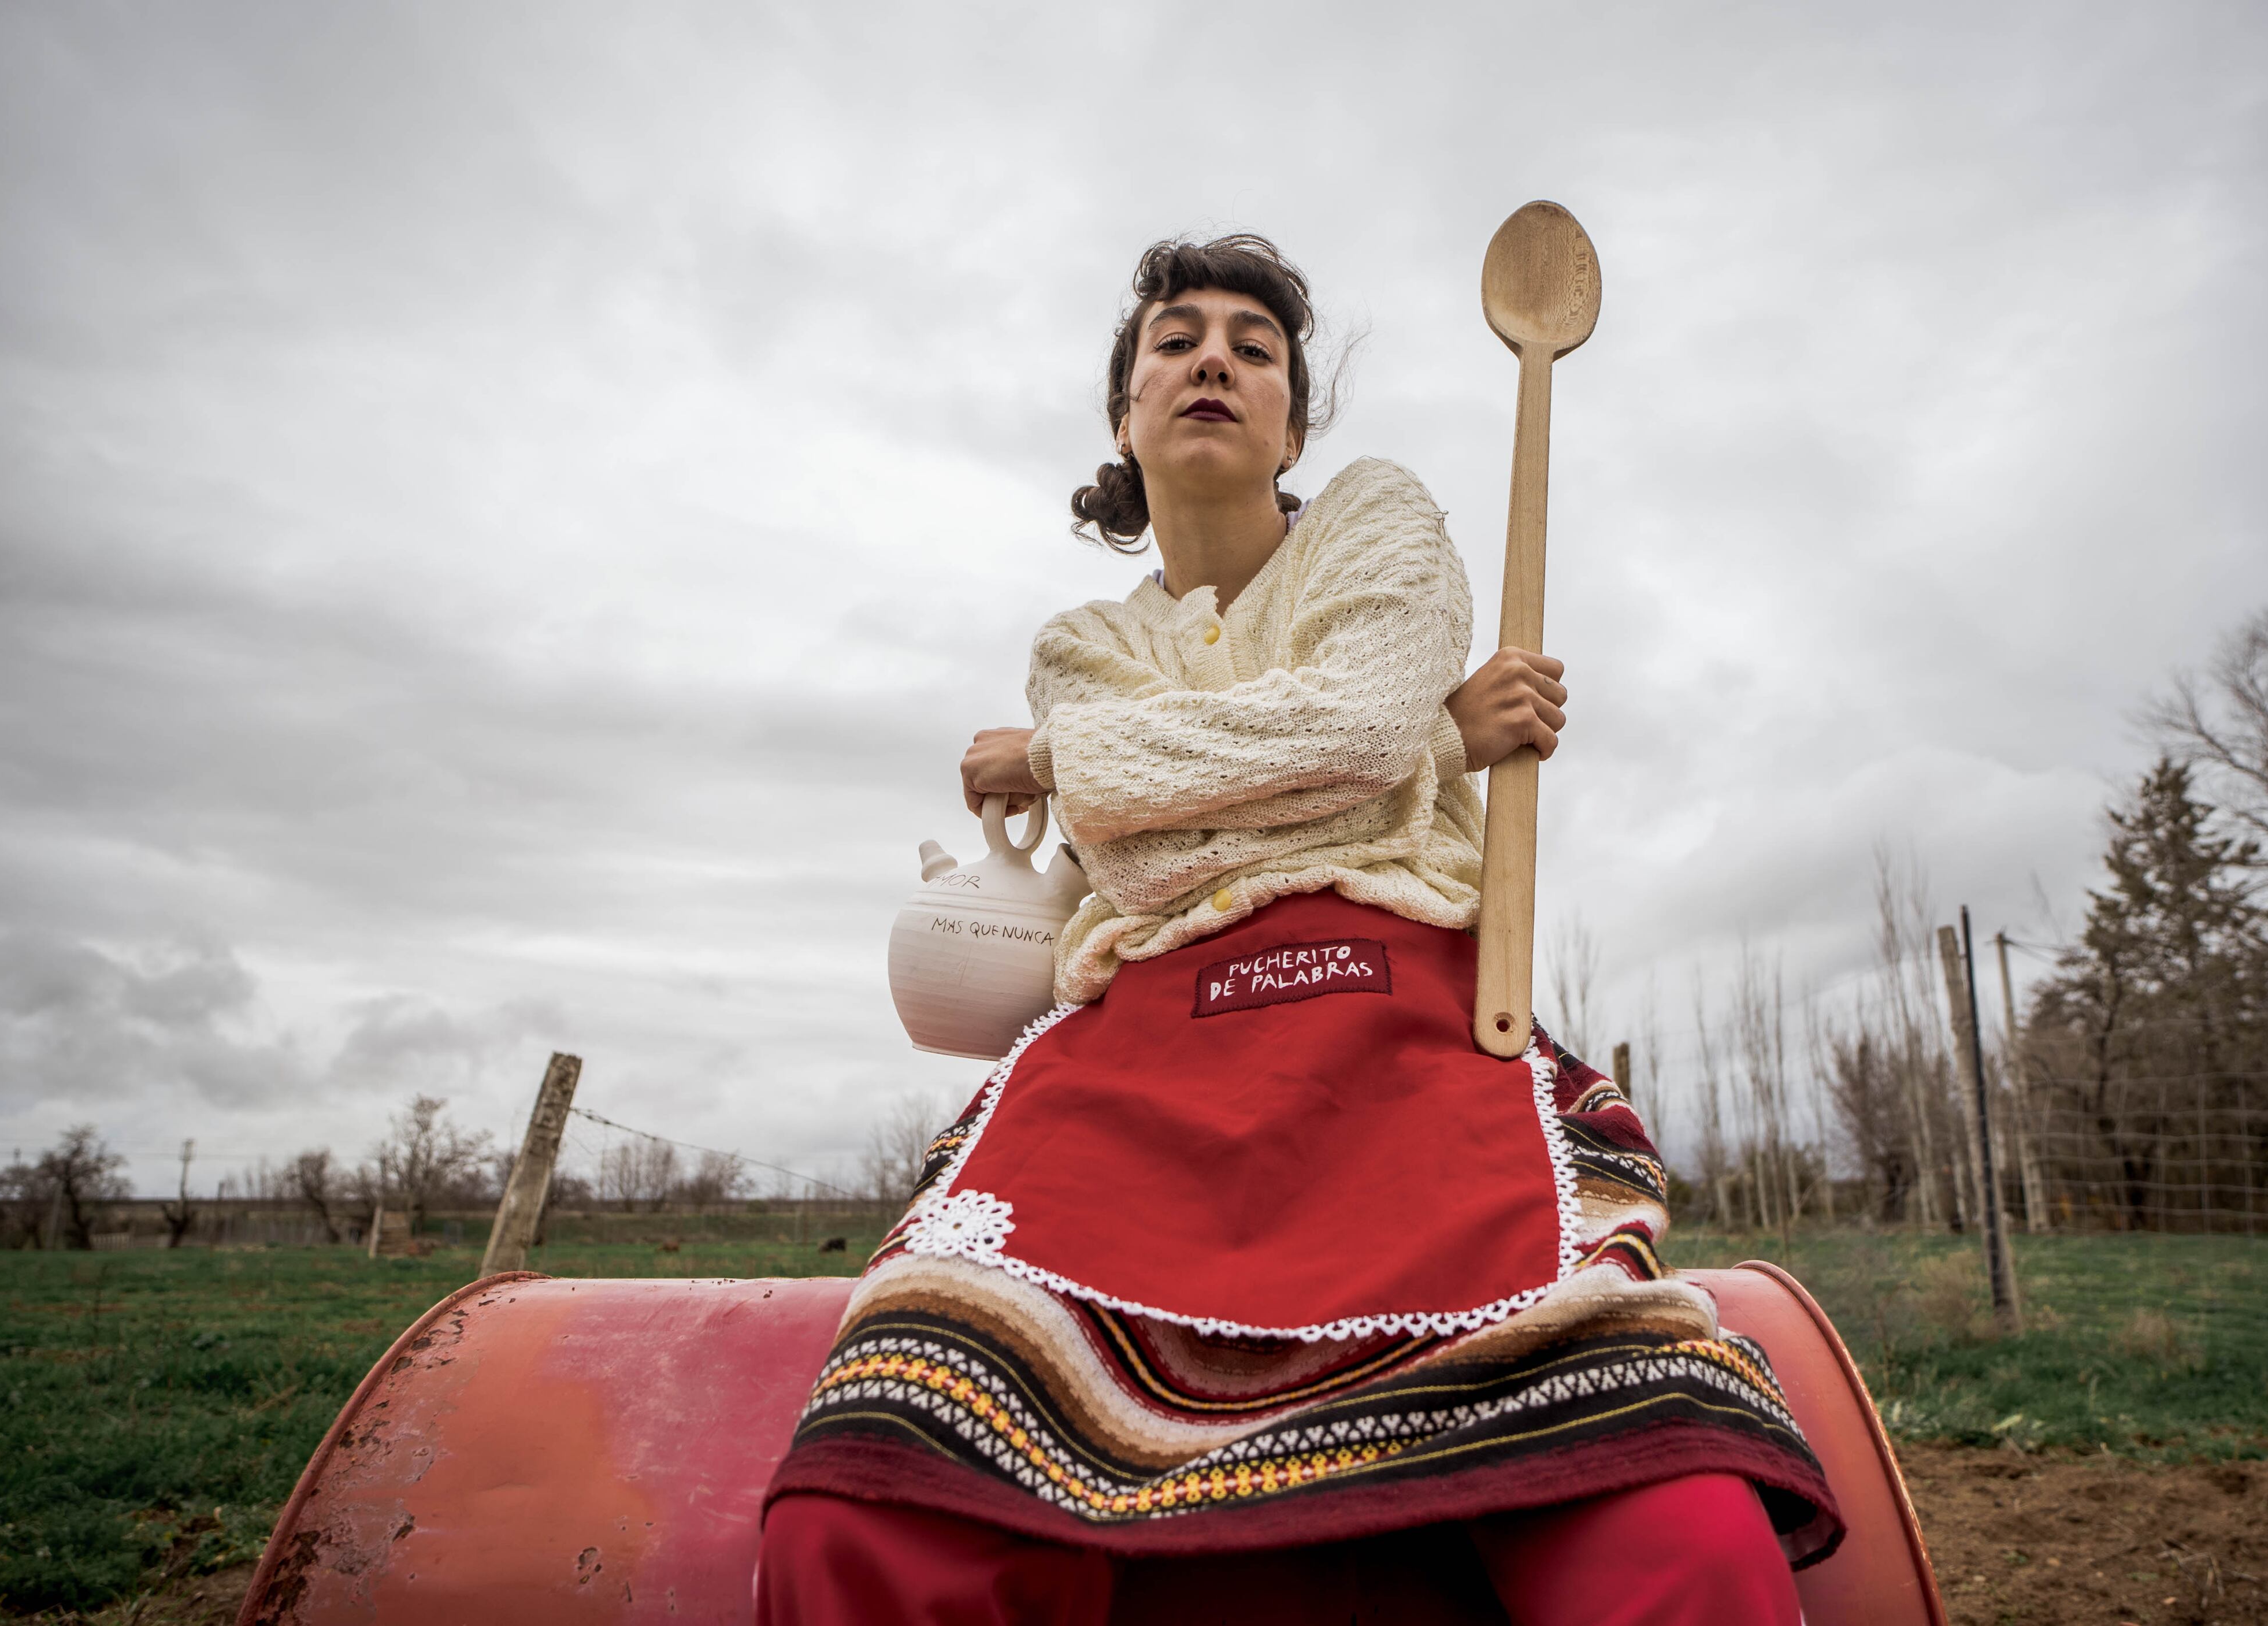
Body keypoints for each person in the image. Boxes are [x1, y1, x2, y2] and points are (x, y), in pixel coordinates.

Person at [758, 235, 1839, 1624]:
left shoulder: (1377, 522)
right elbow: (1176, 848)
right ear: (1125, 411)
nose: (1213, 355)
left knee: (1669, 1520)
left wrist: (1077, 764)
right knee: (886, 1491)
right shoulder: (1081, 647)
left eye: (1253, 347)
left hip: (1404, 1036)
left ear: (1292, 420)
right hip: (1138, 1059)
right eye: (1175, 339)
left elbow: (1345, 726)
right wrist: (1432, 746)